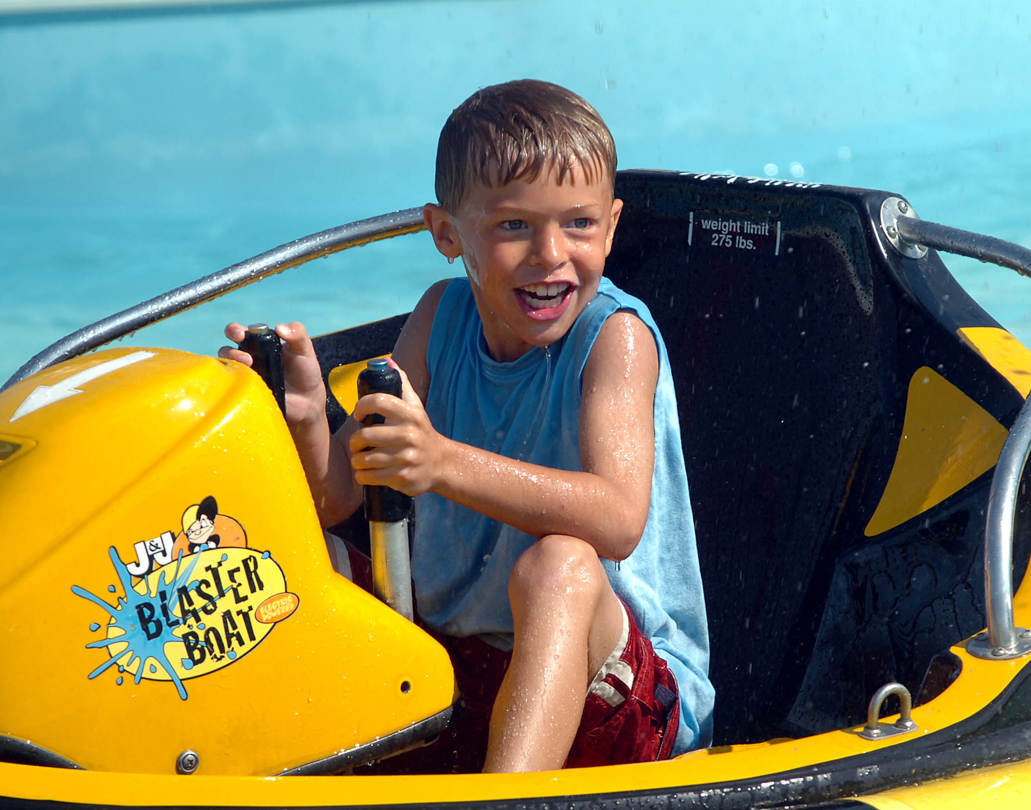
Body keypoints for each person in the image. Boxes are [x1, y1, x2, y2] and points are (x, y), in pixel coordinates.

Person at [221, 79, 713, 772]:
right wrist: (303, 416)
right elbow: (336, 500)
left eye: (578, 223)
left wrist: (442, 462)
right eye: (514, 225)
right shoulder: (438, 319)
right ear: (448, 235)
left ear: (611, 226)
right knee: (307, 563)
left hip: (623, 699)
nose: (549, 253)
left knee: (559, 566)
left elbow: (618, 518)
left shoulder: (614, 339)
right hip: (461, 674)